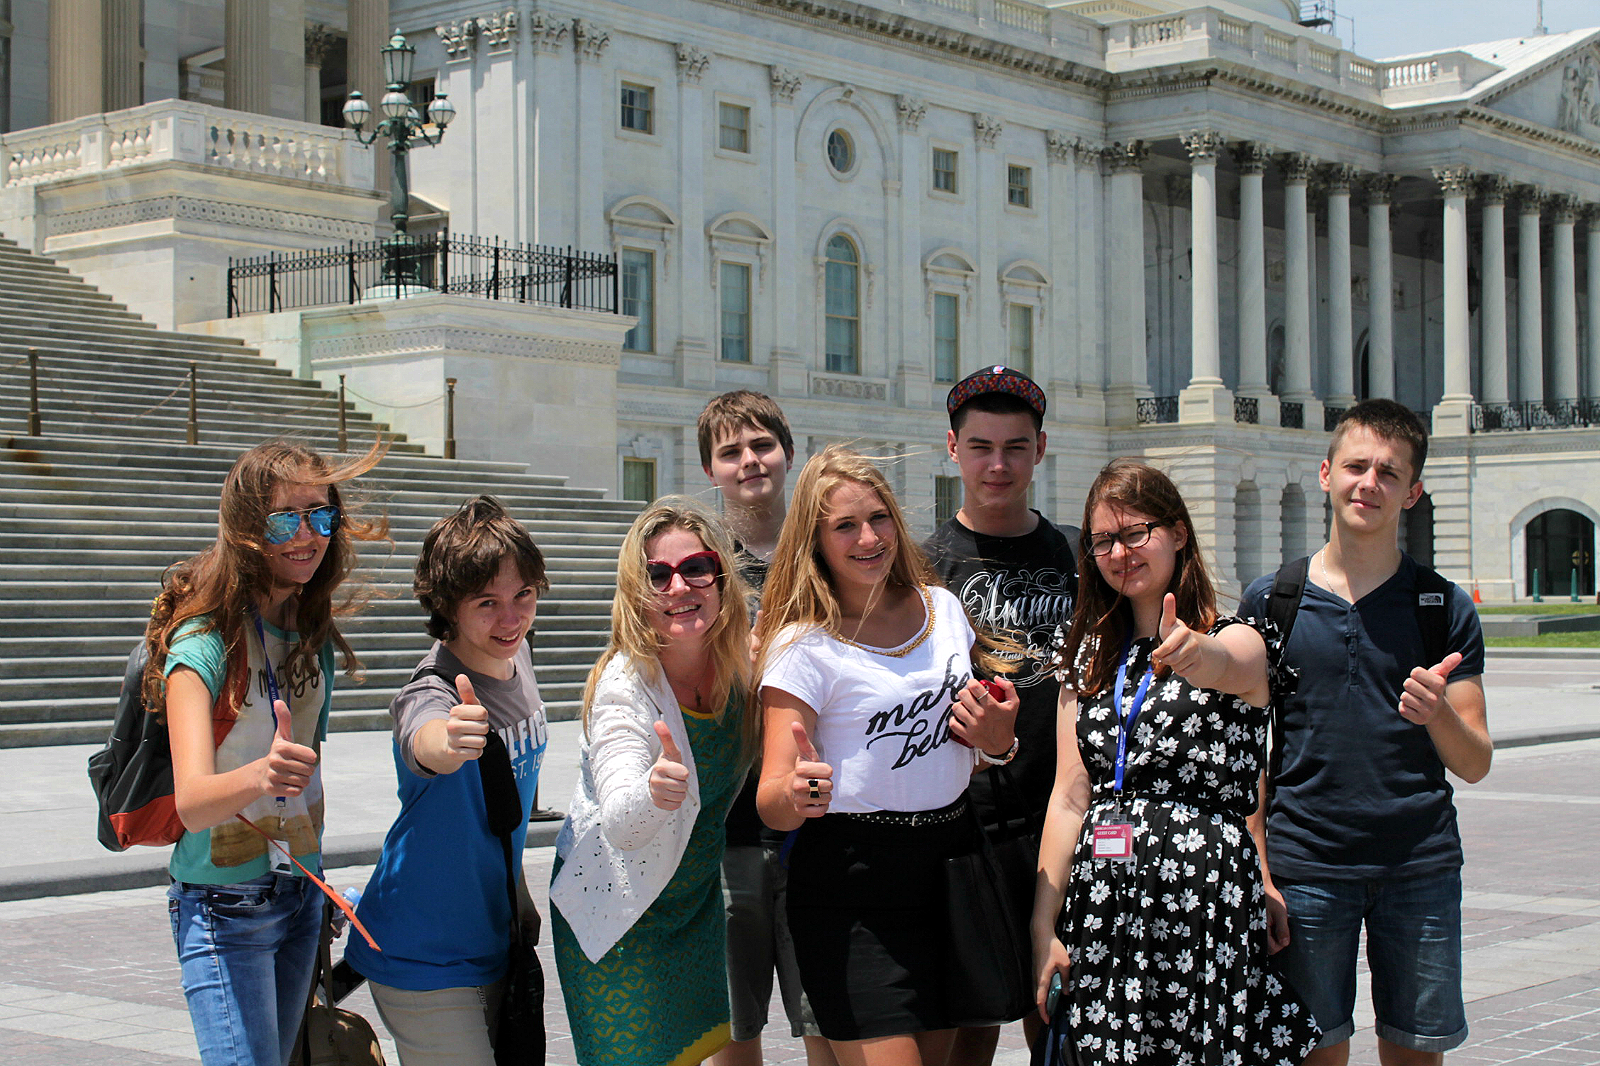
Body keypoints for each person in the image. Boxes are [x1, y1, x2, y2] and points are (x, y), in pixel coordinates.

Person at [1031, 458, 1320, 1066]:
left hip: (1201, 899)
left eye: (1136, 532)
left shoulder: (1238, 633)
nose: (1119, 553)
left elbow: (1236, 668)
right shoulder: (1086, 655)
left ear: (1179, 533)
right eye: (1103, 540)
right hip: (1107, 902)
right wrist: (1043, 926)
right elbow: (1069, 797)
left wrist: (1194, 653)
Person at [1242, 400, 1490, 1066]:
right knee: (1313, 1054)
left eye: (1388, 472)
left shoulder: (1443, 607)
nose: (1368, 483)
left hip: (1420, 868)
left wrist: (1437, 713)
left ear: (1411, 492)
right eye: (1355, 466)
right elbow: (1246, 758)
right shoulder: (1273, 601)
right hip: (1305, 870)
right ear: (1326, 473)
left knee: (1415, 1053)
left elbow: (1475, 762)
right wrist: (1260, 869)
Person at [756, 445, 1021, 1066]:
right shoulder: (802, 644)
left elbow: (981, 746)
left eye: (878, 518)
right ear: (814, 540)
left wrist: (999, 740)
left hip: (950, 865)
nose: (868, 538)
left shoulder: (945, 610)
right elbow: (772, 797)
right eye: (844, 526)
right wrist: (798, 794)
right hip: (851, 886)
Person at [146, 437, 386, 1066]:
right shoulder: (202, 644)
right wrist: (260, 773)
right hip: (224, 907)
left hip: (301, 896)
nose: (307, 533)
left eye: (320, 514)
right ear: (249, 528)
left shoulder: (310, 637)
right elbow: (194, 803)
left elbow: (306, 784)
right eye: (286, 517)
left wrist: (324, 885)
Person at [345, 496, 551, 1065]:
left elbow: (504, 808)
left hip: (492, 937)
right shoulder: (430, 692)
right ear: (447, 606)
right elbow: (424, 738)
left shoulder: (517, 657)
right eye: (487, 602)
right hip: (424, 951)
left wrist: (520, 895)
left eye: (523, 595)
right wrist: (448, 740)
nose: (510, 618)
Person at [550, 497, 755, 1066]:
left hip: (692, 907)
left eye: (695, 568)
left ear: (720, 577)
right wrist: (652, 793)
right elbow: (621, 820)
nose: (678, 587)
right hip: (617, 915)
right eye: (657, 575)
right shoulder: (624, 685)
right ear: (636, 593)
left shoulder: (741, 662)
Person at [922, 366, 1078, 1064]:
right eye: (981, 446)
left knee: (1063, 1015)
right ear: (952, 449)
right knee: (969, 1028)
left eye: (1015, 447)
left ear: (1040, 450)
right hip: (965, 830)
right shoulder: (920, 567)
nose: (997, 465)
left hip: (1067, 819)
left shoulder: (1082, 556)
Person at [695, 392, 834, 1066]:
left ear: (787, 452)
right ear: (710, 470)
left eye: (761, 446)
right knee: (731, 1035)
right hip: (729, 828)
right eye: (730, 452)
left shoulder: (826, 553)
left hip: (823, 826)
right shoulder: (696, 566)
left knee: (828, 1027)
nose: (749, 461)